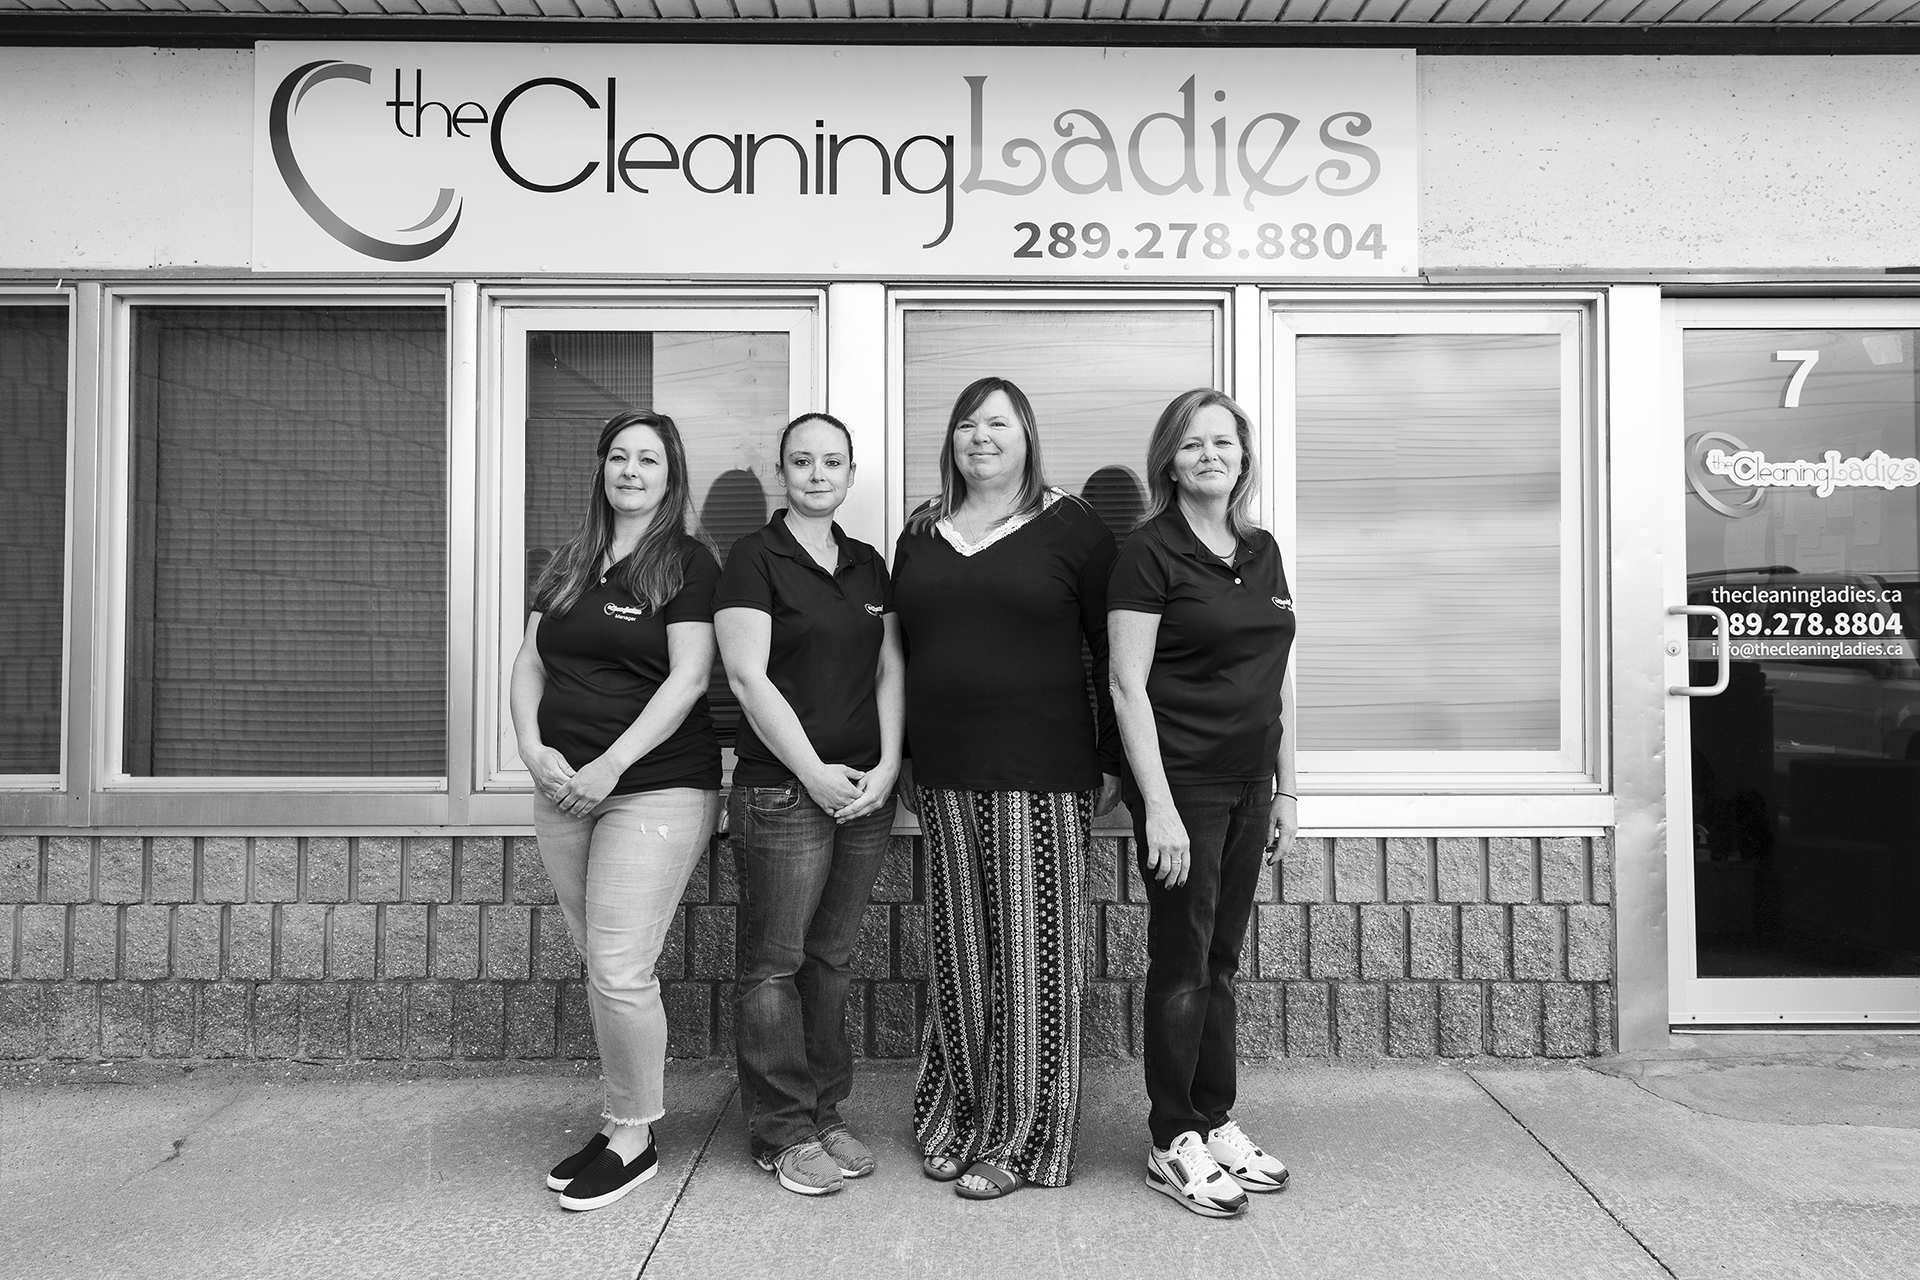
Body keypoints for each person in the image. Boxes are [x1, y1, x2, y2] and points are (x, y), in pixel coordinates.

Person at [889, 375, 1122, 1201]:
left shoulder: (1073, 528)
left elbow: (1113, 652)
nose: (980, 436)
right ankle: (957, 1115)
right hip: (946, 773)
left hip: (1043, 775)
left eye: (998, 423)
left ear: (1026, 436)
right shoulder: (921, 531)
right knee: (959, 958)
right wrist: (908, 755)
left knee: (1033, 962)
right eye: (966, 424)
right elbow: (902, 655)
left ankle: (1024, 1141)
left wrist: (1109, 761)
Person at [510, 409, 723, 1213]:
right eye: (621, 457)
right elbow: (530, 663)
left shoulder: (688, 564)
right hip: (562, 790)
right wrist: (532, 748)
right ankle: (618, 1120)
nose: (633, 471)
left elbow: (687, 679)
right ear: (602, 468)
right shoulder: (567, 560)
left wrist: (610, 766)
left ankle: (635, 1137)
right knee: (603, 969)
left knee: (620, 970)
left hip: (655, 786)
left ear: (671, 478)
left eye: (651, 460)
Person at [1107, 388, 1299, 1219]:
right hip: (1184, 786)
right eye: (1192, 445)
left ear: (1243, 458)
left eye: (1223, 443)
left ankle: (1215, 1118)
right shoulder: (1148, 553)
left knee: (1220, 962)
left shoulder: (1262, 550)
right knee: (1182, 964)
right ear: (1169, 462)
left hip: (1251, 783)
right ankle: (1171, 1137)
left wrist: (1288, 784)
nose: (1209, 456)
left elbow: (1276, 675)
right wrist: (1158, 804)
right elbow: (1126, 683)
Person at [715, 413, 905, 1197]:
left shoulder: (867, 566)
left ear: (851, 473)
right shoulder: (753, 559)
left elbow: (892, 667)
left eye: (832, 462)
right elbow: (747, 679)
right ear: (782, 473)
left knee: (831, 960)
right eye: (802, 461)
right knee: (774, 966)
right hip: (783, 792)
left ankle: (826, 1113)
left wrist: (889, 765)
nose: (817, 474)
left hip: (864, 796)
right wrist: (814, 771)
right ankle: (781, 1131)